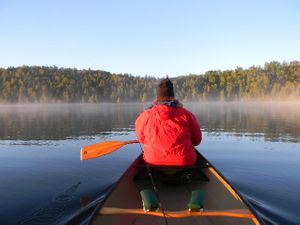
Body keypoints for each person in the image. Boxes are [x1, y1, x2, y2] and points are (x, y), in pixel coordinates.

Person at [135, 77, 202, 166]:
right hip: (184, 162)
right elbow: (196, 141)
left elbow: (142, 140)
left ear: (157, 96)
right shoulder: (187, 115)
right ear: (172, 95)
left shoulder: (144, 116)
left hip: (153, 161)